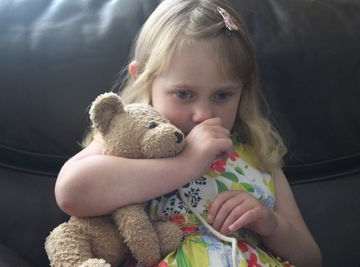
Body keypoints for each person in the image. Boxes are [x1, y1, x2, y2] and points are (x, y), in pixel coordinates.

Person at [55, 0, 322, 266]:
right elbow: (70, 192)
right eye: (184, 94)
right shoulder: (132, 145)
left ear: (242, 91)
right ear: (142, 79)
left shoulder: (258, 154)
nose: (204, 114)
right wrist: (187, 163)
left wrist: (271, 225)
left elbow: (311, 259)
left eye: (222, 95)